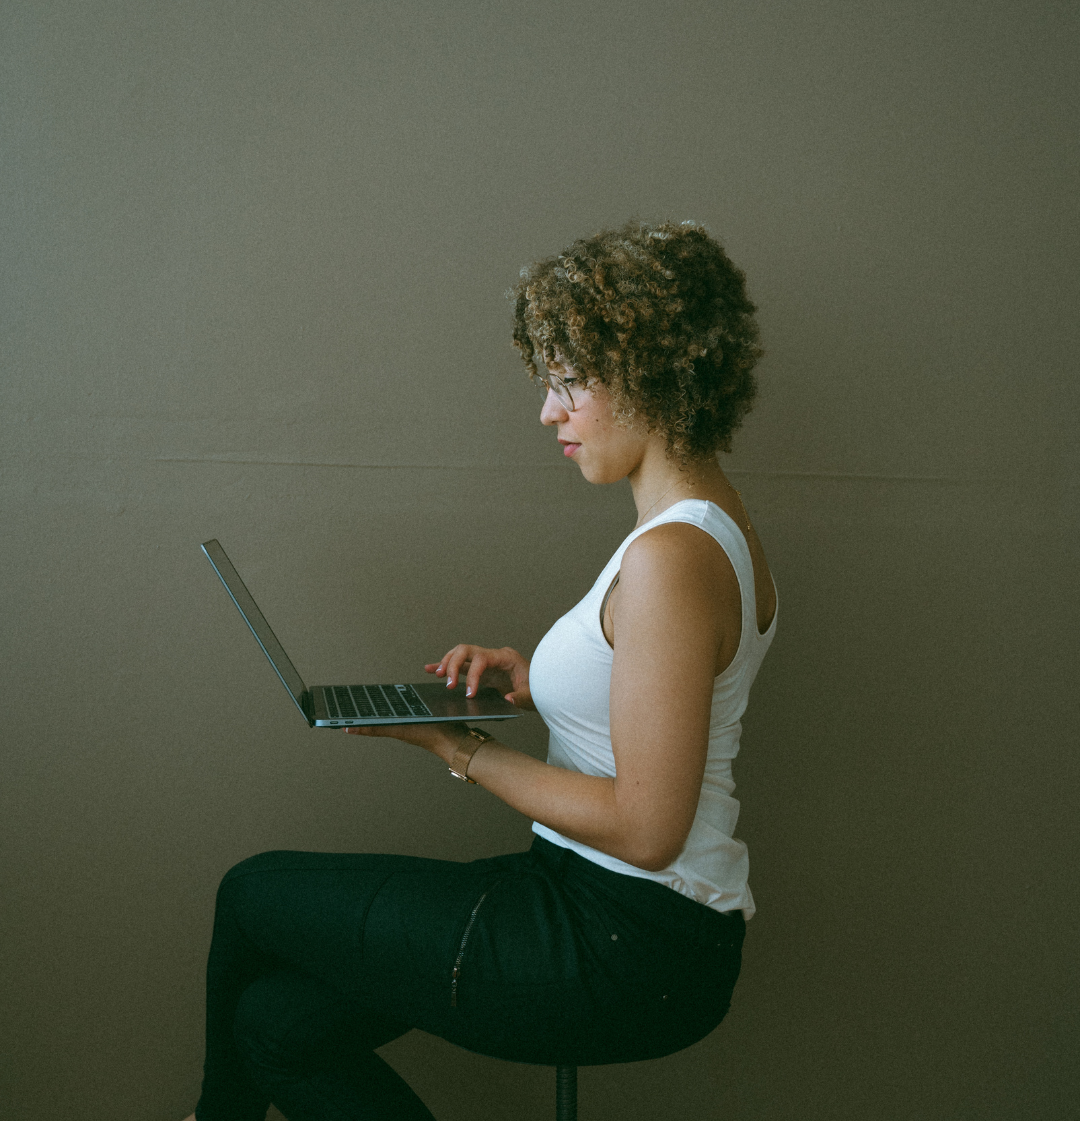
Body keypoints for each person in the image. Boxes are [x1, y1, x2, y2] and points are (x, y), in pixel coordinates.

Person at [182, 219, 776, 1121]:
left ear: (651, 372)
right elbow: (651, 693)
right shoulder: (701, 532)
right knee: (276, 1024)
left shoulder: (672, 559)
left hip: (624, 941)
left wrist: (450, 747)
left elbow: (649, 830)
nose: (549, 412)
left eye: (569, 380)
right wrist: (528, 678)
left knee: (252, 893)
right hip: (601, 905)